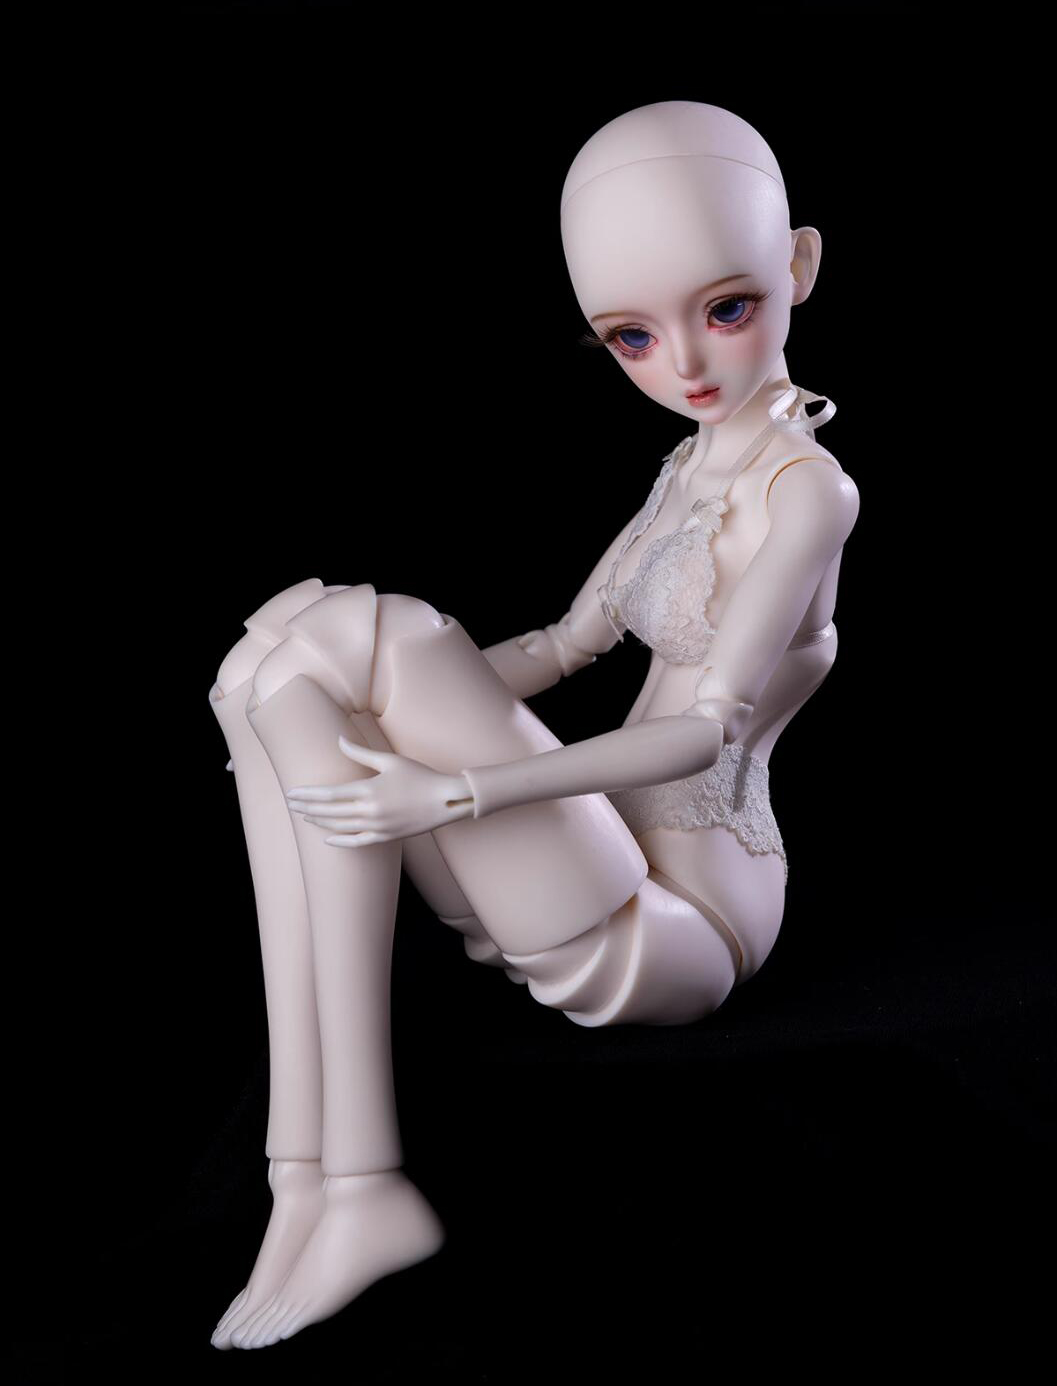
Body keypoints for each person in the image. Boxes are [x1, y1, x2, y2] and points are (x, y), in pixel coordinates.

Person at [206, 99, 860, 1350]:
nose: (686, 363)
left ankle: (359, 1183)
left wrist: (452, 790)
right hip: (591, 859)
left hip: (681, 928)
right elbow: (565, 647)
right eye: (632, 337)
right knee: (279, 662)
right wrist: (370, 687)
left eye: (726, 308)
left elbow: (704, 732)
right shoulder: (688, 467)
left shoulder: (809, 494)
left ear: (798, 266)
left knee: (363, 633)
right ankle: (314, 1182)